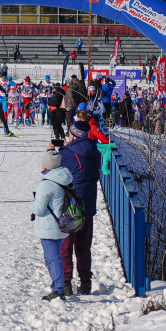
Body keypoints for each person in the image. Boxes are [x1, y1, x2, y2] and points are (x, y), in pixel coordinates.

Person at [58, 119, 101, 295]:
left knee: (66, 245)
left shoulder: (67, 153)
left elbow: (54, 170)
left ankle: (66, 283)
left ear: (74, 134)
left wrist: (59, 149)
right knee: (84, 246)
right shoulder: (95, 151)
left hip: (70, 204)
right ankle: (85, 283)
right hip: (88, 204)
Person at [31, 149, 73, 301]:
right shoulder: (65, 177)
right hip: (62, 224)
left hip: (49, 227)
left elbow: (39, 208)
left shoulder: (47, 184)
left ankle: (58, 289)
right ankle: (59, 286)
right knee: (56, 258)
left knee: (52, 259)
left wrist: (31, 204)